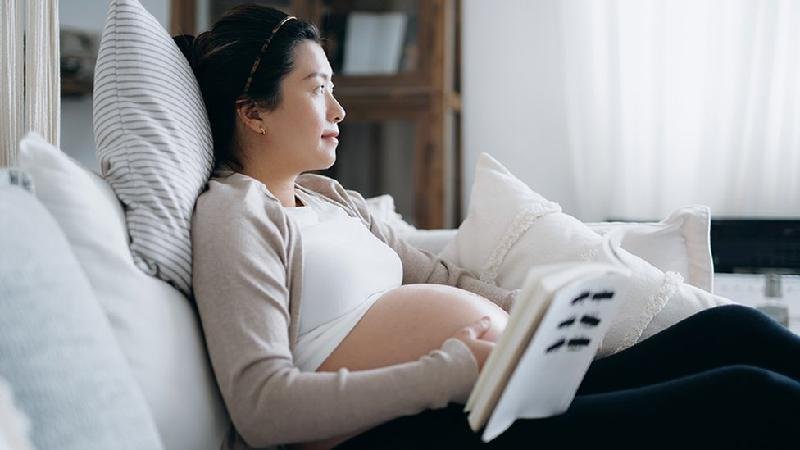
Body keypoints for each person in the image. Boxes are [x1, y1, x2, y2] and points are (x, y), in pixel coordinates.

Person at [179, 4, 800, 450]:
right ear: (253, 112)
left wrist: (544, 321)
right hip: (412, 429)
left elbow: (442, 278)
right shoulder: (236, 215)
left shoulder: (329, 198)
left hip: (500, 388)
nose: (339, 109)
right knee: (745, 396)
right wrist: (449, 372)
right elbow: (262, 406)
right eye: (317, 90)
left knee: (731, 330)